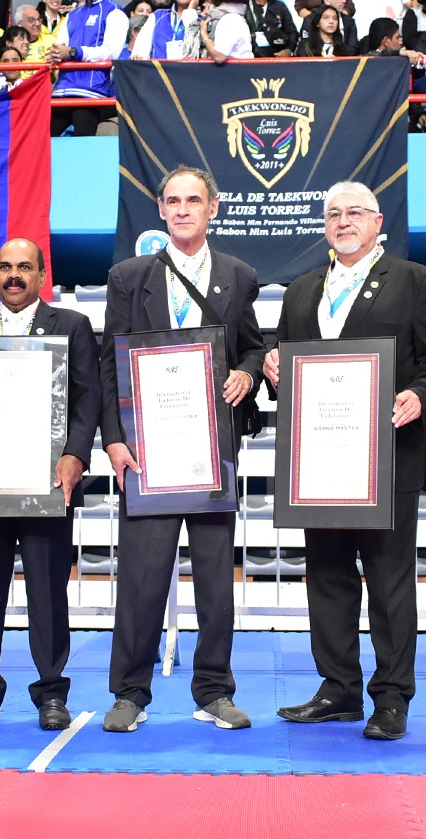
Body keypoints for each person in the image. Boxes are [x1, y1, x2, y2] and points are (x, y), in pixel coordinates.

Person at [264, 182, 426, 740]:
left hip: (387, 459)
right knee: (327, 577)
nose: (343, 221)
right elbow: (289, 368)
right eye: (333, 214)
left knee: (390, 581)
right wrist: (275, 370)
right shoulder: (301, 291)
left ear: (378, 223)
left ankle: (391, 697)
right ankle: (338, 689)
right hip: (319, 461)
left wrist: (420, 394)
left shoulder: (416, 281)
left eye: (355, 212)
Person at [98, 165, 265, 734]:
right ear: (162, 210)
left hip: (212, 449)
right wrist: (113, 438)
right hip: (148, 452)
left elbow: (252, 346)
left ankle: (215, 690)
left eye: (193, 200)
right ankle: (130, 693)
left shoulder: (239, 275)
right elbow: (109, 361)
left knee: (216, 579)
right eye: (173, 201)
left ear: (212, 207)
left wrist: (246, 373)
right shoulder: (128, 276)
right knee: (141, 578)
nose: (183, 209)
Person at [0, 239, 102, 732]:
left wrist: (75, 455)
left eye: (24, 267)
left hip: (46, 481)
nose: (14, 275)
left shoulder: (71, 325)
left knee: (48, 594)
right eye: (5, 267)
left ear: (42, 275)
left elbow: (88, 400)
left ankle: (51, 693)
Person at [48, 0, 127, 135]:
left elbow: (111, 52)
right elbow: (61, 46)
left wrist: (74, 52)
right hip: (62, 90)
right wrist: (55, 54)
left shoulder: (115, 12)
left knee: (83, 142)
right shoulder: (72, 15)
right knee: (43, 140)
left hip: (90, 92)